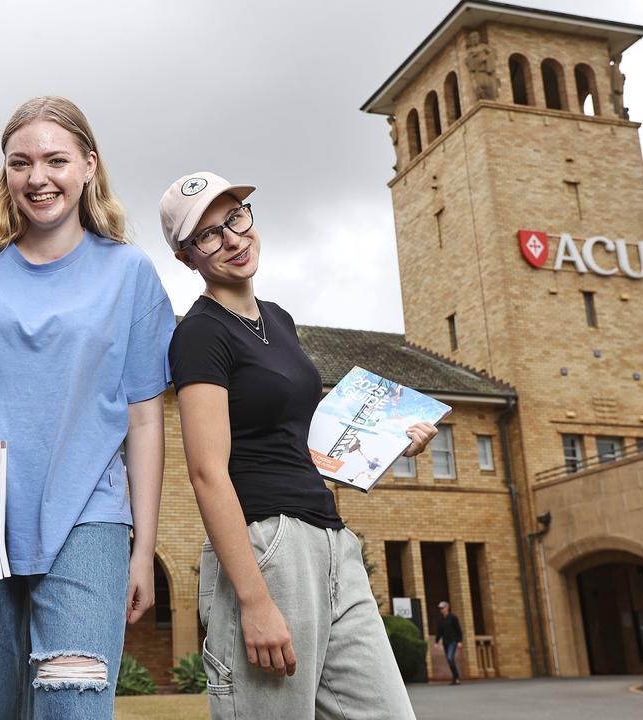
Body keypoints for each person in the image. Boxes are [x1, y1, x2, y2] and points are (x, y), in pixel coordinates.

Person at [0, 96, 175, 718]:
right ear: (5, 171)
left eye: (55, 160)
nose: (37, 178)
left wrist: (142, 548)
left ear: (89, 165)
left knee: (75, 705)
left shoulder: (130, 275)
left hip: (88, 521)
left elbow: (146, 421)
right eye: (21, 163)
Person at [162, 172, 437, 719]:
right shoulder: (200, 334)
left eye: (235, 218)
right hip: (267, 548)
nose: (233, 240)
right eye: (209, 235)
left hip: (333, 542)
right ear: (186, 257)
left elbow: (303, 446)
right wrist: (253, 600)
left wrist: (388, 444)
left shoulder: (280, 320)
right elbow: (206, 473)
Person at [434, 600, 464, 685]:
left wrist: (459, 641)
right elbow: (439, 631)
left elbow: (459, 630)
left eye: (443, 608)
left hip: (453, 641)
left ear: (447, 608)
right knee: (449, 660)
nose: (441, 610)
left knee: (450, 658)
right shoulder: (440, 619)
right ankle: (455, 678)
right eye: (440, 608)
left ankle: (457, 677)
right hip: (445, 642)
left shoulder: (453, 617)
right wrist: (436, 641)